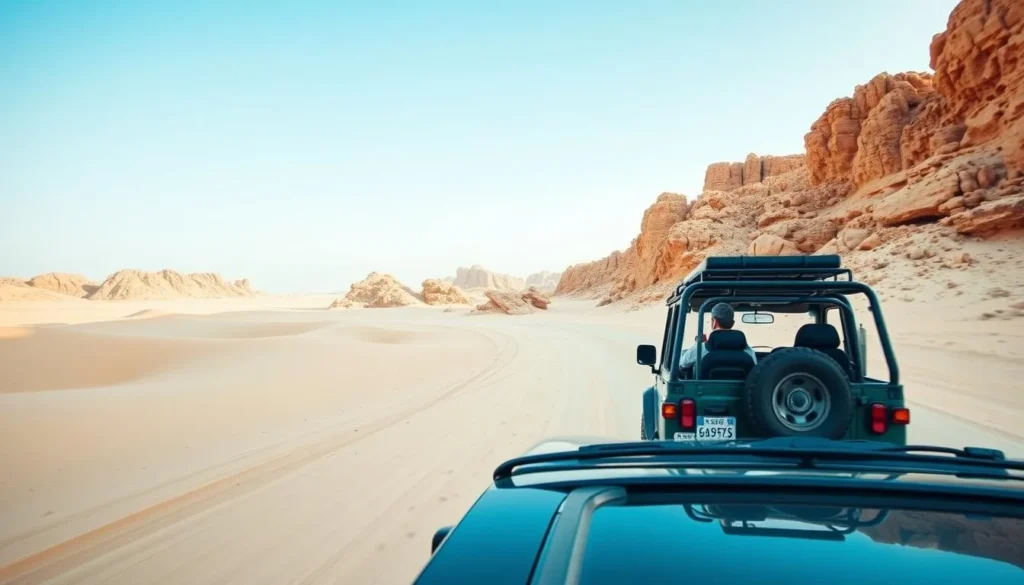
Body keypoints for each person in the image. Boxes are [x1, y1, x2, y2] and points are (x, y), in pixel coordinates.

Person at [679, 302, 757, 369]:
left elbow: (683, 363)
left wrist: (698, 344)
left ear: (714, 322)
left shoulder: (702, 349)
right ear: (732, 323)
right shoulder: (748, 352)